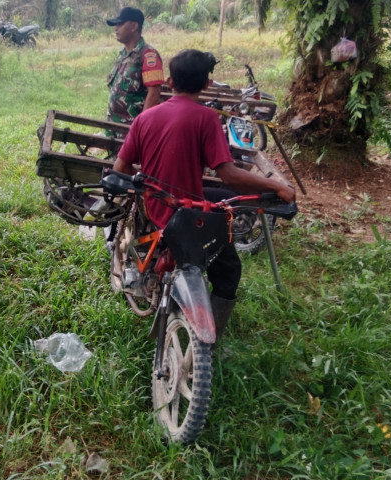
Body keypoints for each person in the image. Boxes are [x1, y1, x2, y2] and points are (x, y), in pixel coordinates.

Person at [113, 49, 295, 341]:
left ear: (170, 82)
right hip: (187, 214)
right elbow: (230, 174)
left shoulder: (144, 119)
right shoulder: (206, 118)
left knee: (218, 193)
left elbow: (120, 168)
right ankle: (211, 338)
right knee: (229, 268)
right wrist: (276, 187)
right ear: (207, 85)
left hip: (155, 204)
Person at [105, 7, 164, 127]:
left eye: (120, 24)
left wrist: (141, 127)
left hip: (131, 129)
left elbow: (154, 94)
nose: (116, 28)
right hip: (113, 126)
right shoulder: (123, 54)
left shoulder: (148, 55)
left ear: (134, 26)